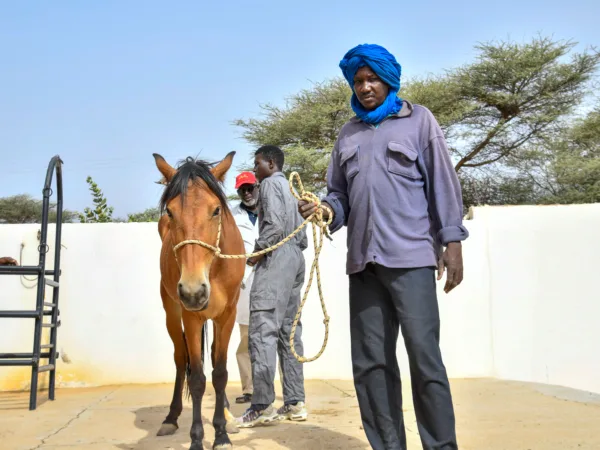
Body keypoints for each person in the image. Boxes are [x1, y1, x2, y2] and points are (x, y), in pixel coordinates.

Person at [298, 44, 469, 450]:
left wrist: (452, 241)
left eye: (371, 78)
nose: (365, 87)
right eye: (358, 81)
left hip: (411, 259)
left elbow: (443, 184)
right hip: (364, 264)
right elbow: (340, 195)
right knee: (371, 366)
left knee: (425, 360)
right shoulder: (348, 134)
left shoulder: (419, 122)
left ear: (388, 79)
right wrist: (324, 208)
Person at [236, 145, 309, 428]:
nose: (255, 170)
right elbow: (300, 235)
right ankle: (294, 403)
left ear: (270, 163)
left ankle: (262, 405)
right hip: (295, 258)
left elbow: (274, 226)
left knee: (262, 329)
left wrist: (258, 252)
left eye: (257, 164)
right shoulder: (292, 190)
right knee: (289, 332)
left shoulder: (267, 185)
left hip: (277, 256)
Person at [230, 171, 260, 404]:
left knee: (276, 334)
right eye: (243, 189)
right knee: (246, 338)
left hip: (271, 277)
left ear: (257, 186)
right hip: (245, 280)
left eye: (250, 187)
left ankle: (281, 390)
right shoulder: (232, 216)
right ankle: (249, 388)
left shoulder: (272, 210)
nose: (247, 193)